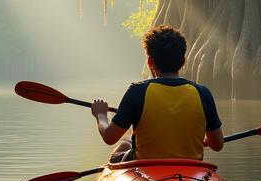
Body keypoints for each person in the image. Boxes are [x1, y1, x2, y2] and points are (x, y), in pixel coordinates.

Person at [91, 26, 224, 161]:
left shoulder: (137, 92)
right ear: (184, 62)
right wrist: (203, 139)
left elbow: (109, 137)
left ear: (150, 62)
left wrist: (101, 115)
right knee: (127, 144)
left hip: (146, 169)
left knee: (124, 145)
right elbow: (217, 145)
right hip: (191, 169)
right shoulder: (202, 93)